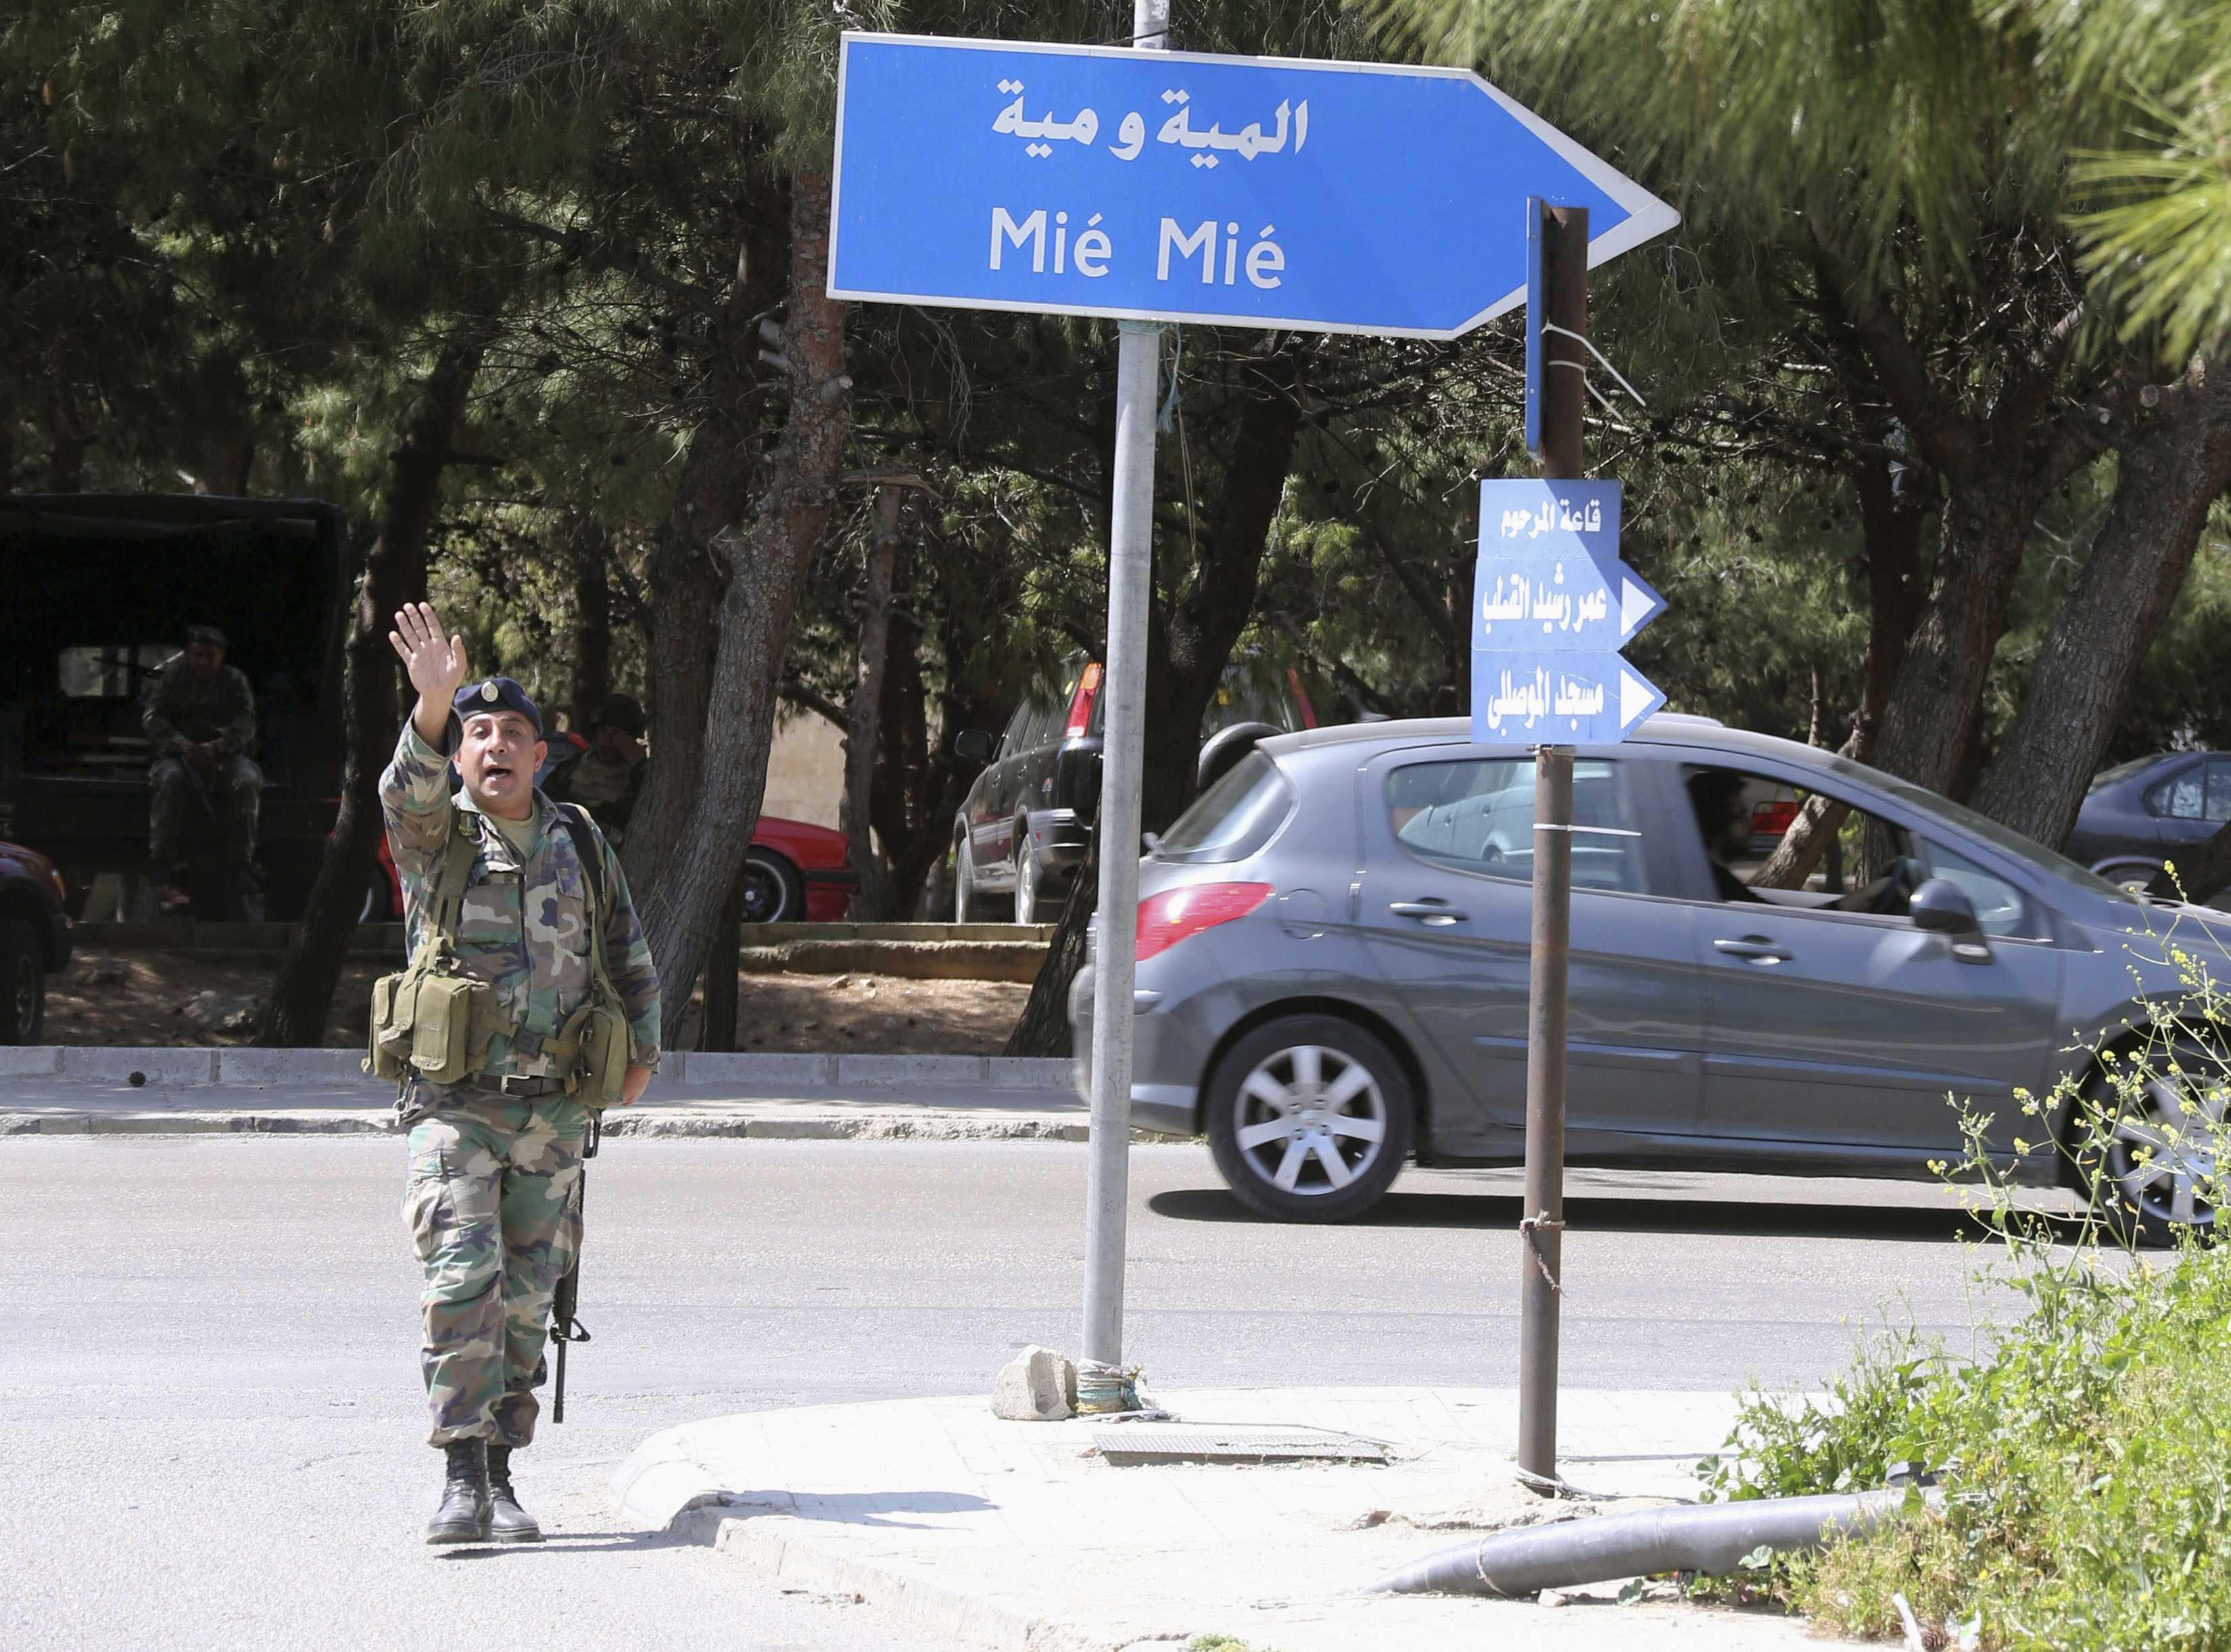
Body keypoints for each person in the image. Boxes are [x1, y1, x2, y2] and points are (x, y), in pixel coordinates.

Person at [380, 602, 662, 1546]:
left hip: (554, 1112)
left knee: (531, 1297)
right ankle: (459, 1475)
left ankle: (503, 1473)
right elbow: (405, 791)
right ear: (459, 756)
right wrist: (433, 704)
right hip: (453, 1107)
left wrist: (643, 1055)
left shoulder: (578, 838)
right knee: (464, 1280)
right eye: (478, 732)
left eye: (512, 732)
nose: (495, 744)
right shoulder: (435, 836)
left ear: (542, 755)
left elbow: (629, 951)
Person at [142, 624, 260, 914]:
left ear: (221, 657)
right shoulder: (173, 678)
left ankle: (241, 865)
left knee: (247, 781)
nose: (203, 662)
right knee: (170, 780)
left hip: (225, 756)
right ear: (188, 654)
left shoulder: (234, 681)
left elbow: (246, 723)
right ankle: (162, 864)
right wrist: (181, 744)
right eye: (197, 655)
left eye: (211, 656)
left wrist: (218, 746)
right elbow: (153, 718)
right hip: (180, 756)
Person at [544, 693, 647, 841]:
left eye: (616, 733)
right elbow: (544, 802)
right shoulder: (574, 764)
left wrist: (641, 766)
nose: (608, 740)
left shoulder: (640, 777)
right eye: (603, 730)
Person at [1686, 769, 1767, 904]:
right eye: (1741, 815)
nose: (1751, 823)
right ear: (1717, 822)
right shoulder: (1718, 885)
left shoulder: (1704, 876)